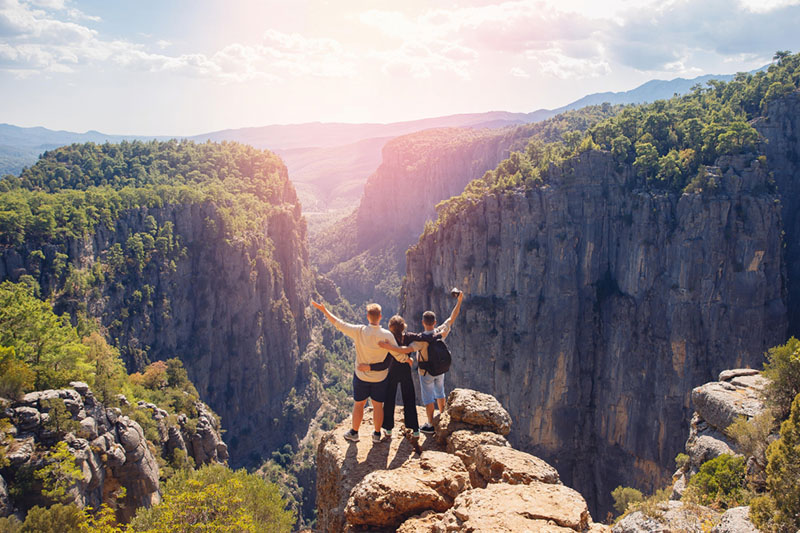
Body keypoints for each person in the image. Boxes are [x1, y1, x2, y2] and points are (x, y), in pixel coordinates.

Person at [311, 300, 407, 443]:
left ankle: (354, 433)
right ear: (380, 316)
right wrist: (410, 357)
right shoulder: (387, 335)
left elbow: (339, 323)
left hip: (361, 376)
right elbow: (399, 355)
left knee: (359, 404)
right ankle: (376, 434)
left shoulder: (359, 331)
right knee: (377, 405)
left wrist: (325, 311)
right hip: (380, 378)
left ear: (368, 317)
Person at [362, 315, 424, 439]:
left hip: (392, 371)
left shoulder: (389, 340)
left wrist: (370, 367)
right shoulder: (409, 336)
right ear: (403, 326)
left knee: (389, 399)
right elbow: (422, 337)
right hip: (406, 371)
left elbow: (385, 362)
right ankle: (415, 429)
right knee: (409, 399)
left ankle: (388, 429)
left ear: (390, 327)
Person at [414, 292, 464, 434]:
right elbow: (452, 317)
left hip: (425, 373)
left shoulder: (420, 339)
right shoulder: (440, 332)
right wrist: (459, 302)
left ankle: (430, 424)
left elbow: (407, 348)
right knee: (440, 392)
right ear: (435, 322)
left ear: (423, 322)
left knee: (428, 397)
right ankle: (442, 415)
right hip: (440, 369)